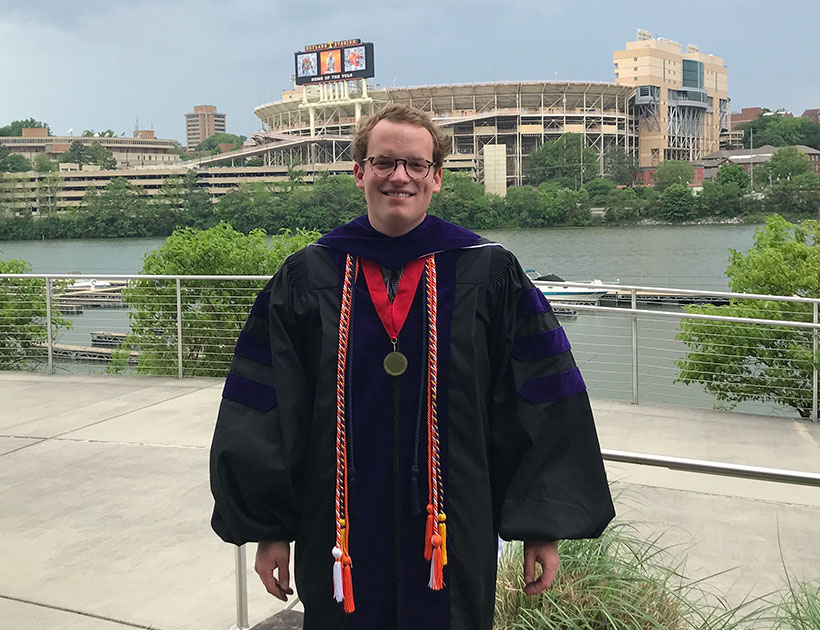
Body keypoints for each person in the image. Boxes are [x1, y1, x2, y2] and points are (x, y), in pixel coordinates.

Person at [210, 103, 614, 630]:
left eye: (415, 165)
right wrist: (270, 529)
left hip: (454, 532)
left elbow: (537, 402)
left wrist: (542, 527)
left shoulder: (489, 274)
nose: (399, 176)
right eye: (383, 163)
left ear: (437, 178)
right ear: (359, 173)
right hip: (338, 530)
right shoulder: (307, 278)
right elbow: (267, 409)